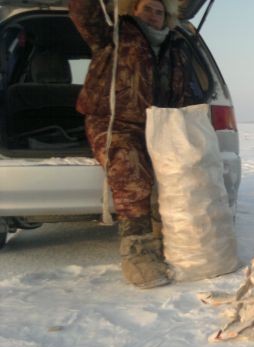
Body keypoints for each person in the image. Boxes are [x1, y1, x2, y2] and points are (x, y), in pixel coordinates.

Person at [69, 0, 201, 288]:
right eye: (147, 9)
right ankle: (138, 253)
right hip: (113, 121)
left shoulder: (176, 47)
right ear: (133, 11)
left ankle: (170, 242)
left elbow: (185, 93)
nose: (153, 16)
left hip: (161, 125)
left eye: (159, 12)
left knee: (177, 175)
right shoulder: (112, 35)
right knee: (133, 173)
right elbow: (83, 13)